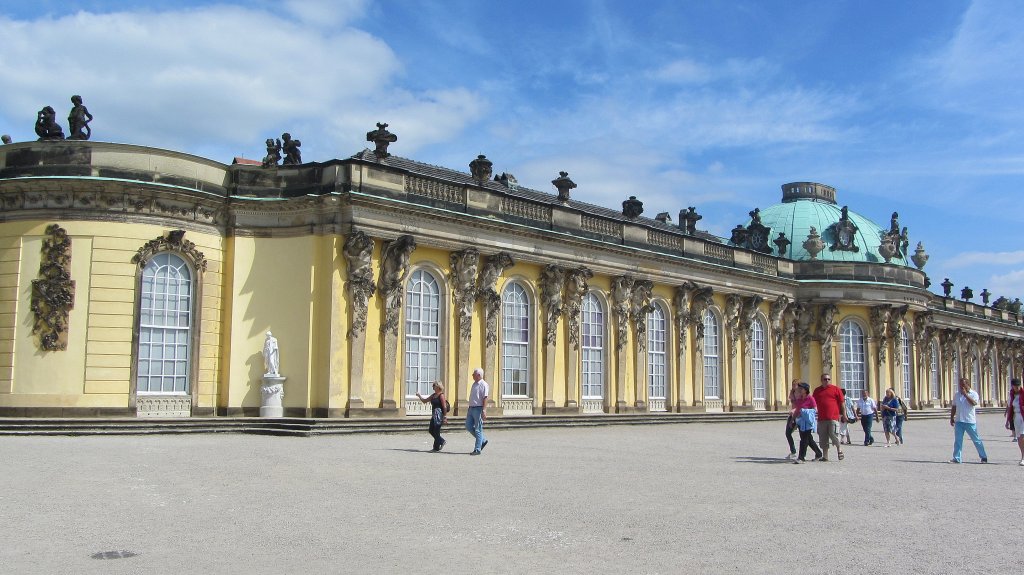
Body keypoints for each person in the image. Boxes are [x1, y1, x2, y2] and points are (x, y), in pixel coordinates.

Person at [949, 377, 988, 464]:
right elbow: (954, 406)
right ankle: (957, 458)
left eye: (963, 385)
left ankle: (983, 457)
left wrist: (966, 395)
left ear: (968, 384)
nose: (961, 387)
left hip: (969, 421)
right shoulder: (957, 394)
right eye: (960, 385)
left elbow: (974, 403)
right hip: (959, 420)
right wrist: (952, 417)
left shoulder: (974, 394)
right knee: (958, 440)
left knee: (976, 440)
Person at [812, 373, 845, 461]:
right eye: (825, 379)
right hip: (821, 418)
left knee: (834, 434)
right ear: (821, 380)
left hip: (833, 417)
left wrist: (844, 415)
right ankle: (825, 456)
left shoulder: (836, 389)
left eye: (828, 379)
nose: (827, 381)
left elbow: (842, 403)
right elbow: (813, 403)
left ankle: (839, 450)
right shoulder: (817, 390)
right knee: (823, 437)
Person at [792, 382, 822, 464]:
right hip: (800, 422)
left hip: (807, 422)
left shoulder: (810, 398)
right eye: (799, 388)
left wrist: (805, 412)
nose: (800, 390)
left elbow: (815, 410)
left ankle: (801, 457)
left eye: (801, 388)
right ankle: (819, 453)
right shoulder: (799, 399)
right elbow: (797, 410)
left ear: (806, 390)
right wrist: (793, 419)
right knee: (809, 439)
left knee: (804, 440)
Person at [416, 382, 448, 452]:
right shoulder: (433, 395)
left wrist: (445, 417)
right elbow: (425, 401)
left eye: (433, 386)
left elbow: (444, 407)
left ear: (437, 387)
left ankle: (437, 446)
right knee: (431, 430)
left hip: (439, 415)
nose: (432, 387)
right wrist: (419, 396)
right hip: (434, 415)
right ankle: (440, 443)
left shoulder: (441, 395)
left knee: (436, 431)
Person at [466, 367, 489, 455]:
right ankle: (482, 440)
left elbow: (485, 397)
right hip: (471, 408)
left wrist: (484, 410)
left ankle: (477, 449)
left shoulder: (484, 384)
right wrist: (469, 408)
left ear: (478, 375)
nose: (472, 375)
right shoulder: (474, 384)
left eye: (474, 374)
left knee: (478, 429)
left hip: (479, 408)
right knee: (468, 426)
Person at [1005, 378, 1024, 466]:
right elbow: (1009, 407)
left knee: (1023, 436)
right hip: (1016, 416)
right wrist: (1008, 421)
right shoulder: (1012, 395)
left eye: (1018, 386)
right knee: (1019, 438)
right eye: (1015, 386)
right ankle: (1023, 456)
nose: (1017, 388)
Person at [784, 379, 799, 459]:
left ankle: (817, 452)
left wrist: (794, 410)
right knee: (788, 433)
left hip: (799, 415)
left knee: (807, 437)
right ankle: (793, 451)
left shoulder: (800, 394)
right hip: (793, 415)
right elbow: (791, 402)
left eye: (795, 384)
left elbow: (801, 405)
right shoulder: (792, 393)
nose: (793, 386)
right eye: (793, 384)